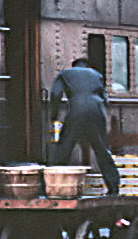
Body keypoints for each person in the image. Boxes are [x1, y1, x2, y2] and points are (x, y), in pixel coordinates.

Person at [48, 58, 120, 195]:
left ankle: (55, 186)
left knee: (64, 146)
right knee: (101, 149)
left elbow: (55, 94)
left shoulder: (64, 74)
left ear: (74, 65)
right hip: (96, 110)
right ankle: (113, 187)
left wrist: (54, 115)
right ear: (87, 66)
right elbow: (105, 98)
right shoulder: (96, 75)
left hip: (77, 109)